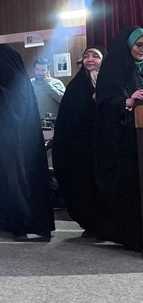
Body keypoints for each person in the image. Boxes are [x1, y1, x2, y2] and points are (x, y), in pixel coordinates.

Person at [0, 44, 54, 241]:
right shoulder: (1, 78)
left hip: (17, 145)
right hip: (1, 144)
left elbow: (19, 107)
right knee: (3, 181)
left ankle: (23, 224)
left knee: (17, 182)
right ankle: (9, 220)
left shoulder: (16, 79)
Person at [94, 29, 143, 251]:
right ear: (128, 45)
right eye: (139, 45)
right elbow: (105, 103)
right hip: (125, 141)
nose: (142, 49)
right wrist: (128, 102)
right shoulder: (115, 68)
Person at [52, 47, 105, 238]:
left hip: (106, 145)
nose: (90, 59)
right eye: (86, 56)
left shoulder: (111, 81)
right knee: (84, 185)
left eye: (95, 56)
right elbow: (68, 117)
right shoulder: (76, 86)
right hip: (82, 147)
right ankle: (91, 224)